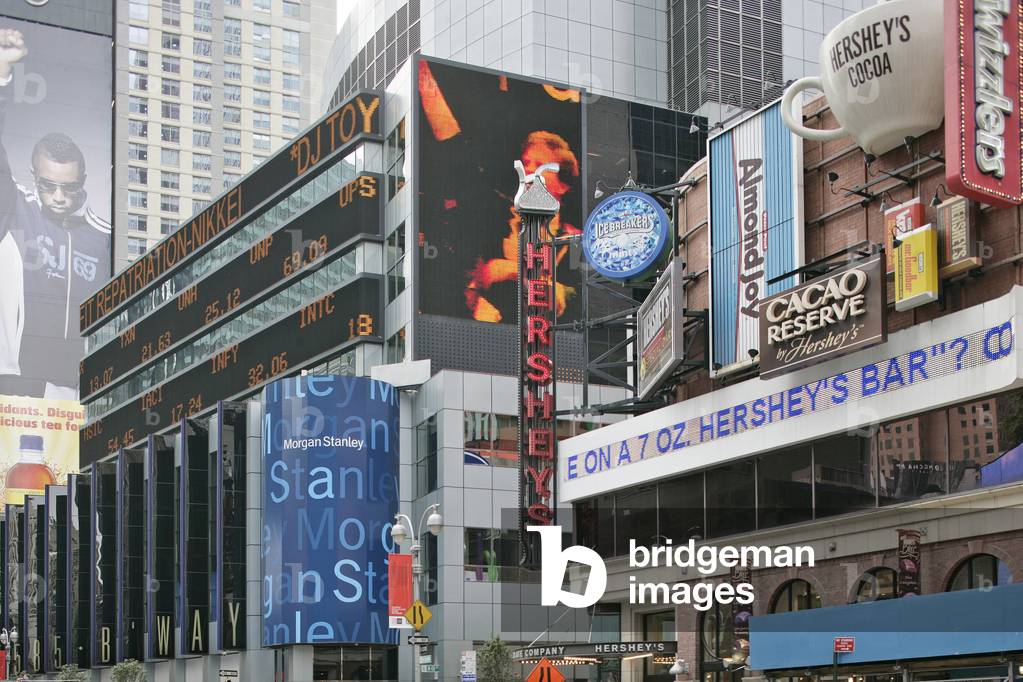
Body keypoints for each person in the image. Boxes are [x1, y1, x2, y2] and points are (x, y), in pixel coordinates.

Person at [0, 27, 111, 398]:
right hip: (19, 384)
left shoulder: (103, 237)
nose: (59, 197)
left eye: (69, 187)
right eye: (48, 186)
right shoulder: (17, 211)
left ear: (83, 181)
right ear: (35, 178)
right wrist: (2, 73)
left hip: (81, 392)